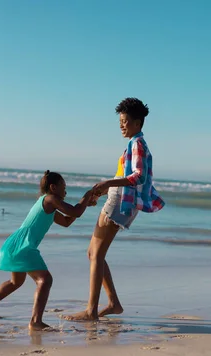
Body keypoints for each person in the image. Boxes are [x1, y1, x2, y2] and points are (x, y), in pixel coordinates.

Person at [64, 97, 165, 321]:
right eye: (120, 121)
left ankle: (92, 310)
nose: (122, 125)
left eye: (126, 121)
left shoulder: (137, 144)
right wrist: (104, 190)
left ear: (138, 123)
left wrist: (107, 184)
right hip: (117, 199)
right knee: (93, 254)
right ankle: (112, 303)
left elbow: (138, 176)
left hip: (121, 202)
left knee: (96, 255)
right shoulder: (134, 143)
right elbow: (127, 175)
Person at [0, 171, 96, 330]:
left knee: (16, 282)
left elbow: (68, 220)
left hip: (14, 245)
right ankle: (35, 321)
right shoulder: (49, 199)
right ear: (53, 188)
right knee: (45, 280)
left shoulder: (48, 205)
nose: (66, 192)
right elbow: (75, 212)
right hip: (23, 246)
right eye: (64, 187)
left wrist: (84, 204)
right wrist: (87, 196)